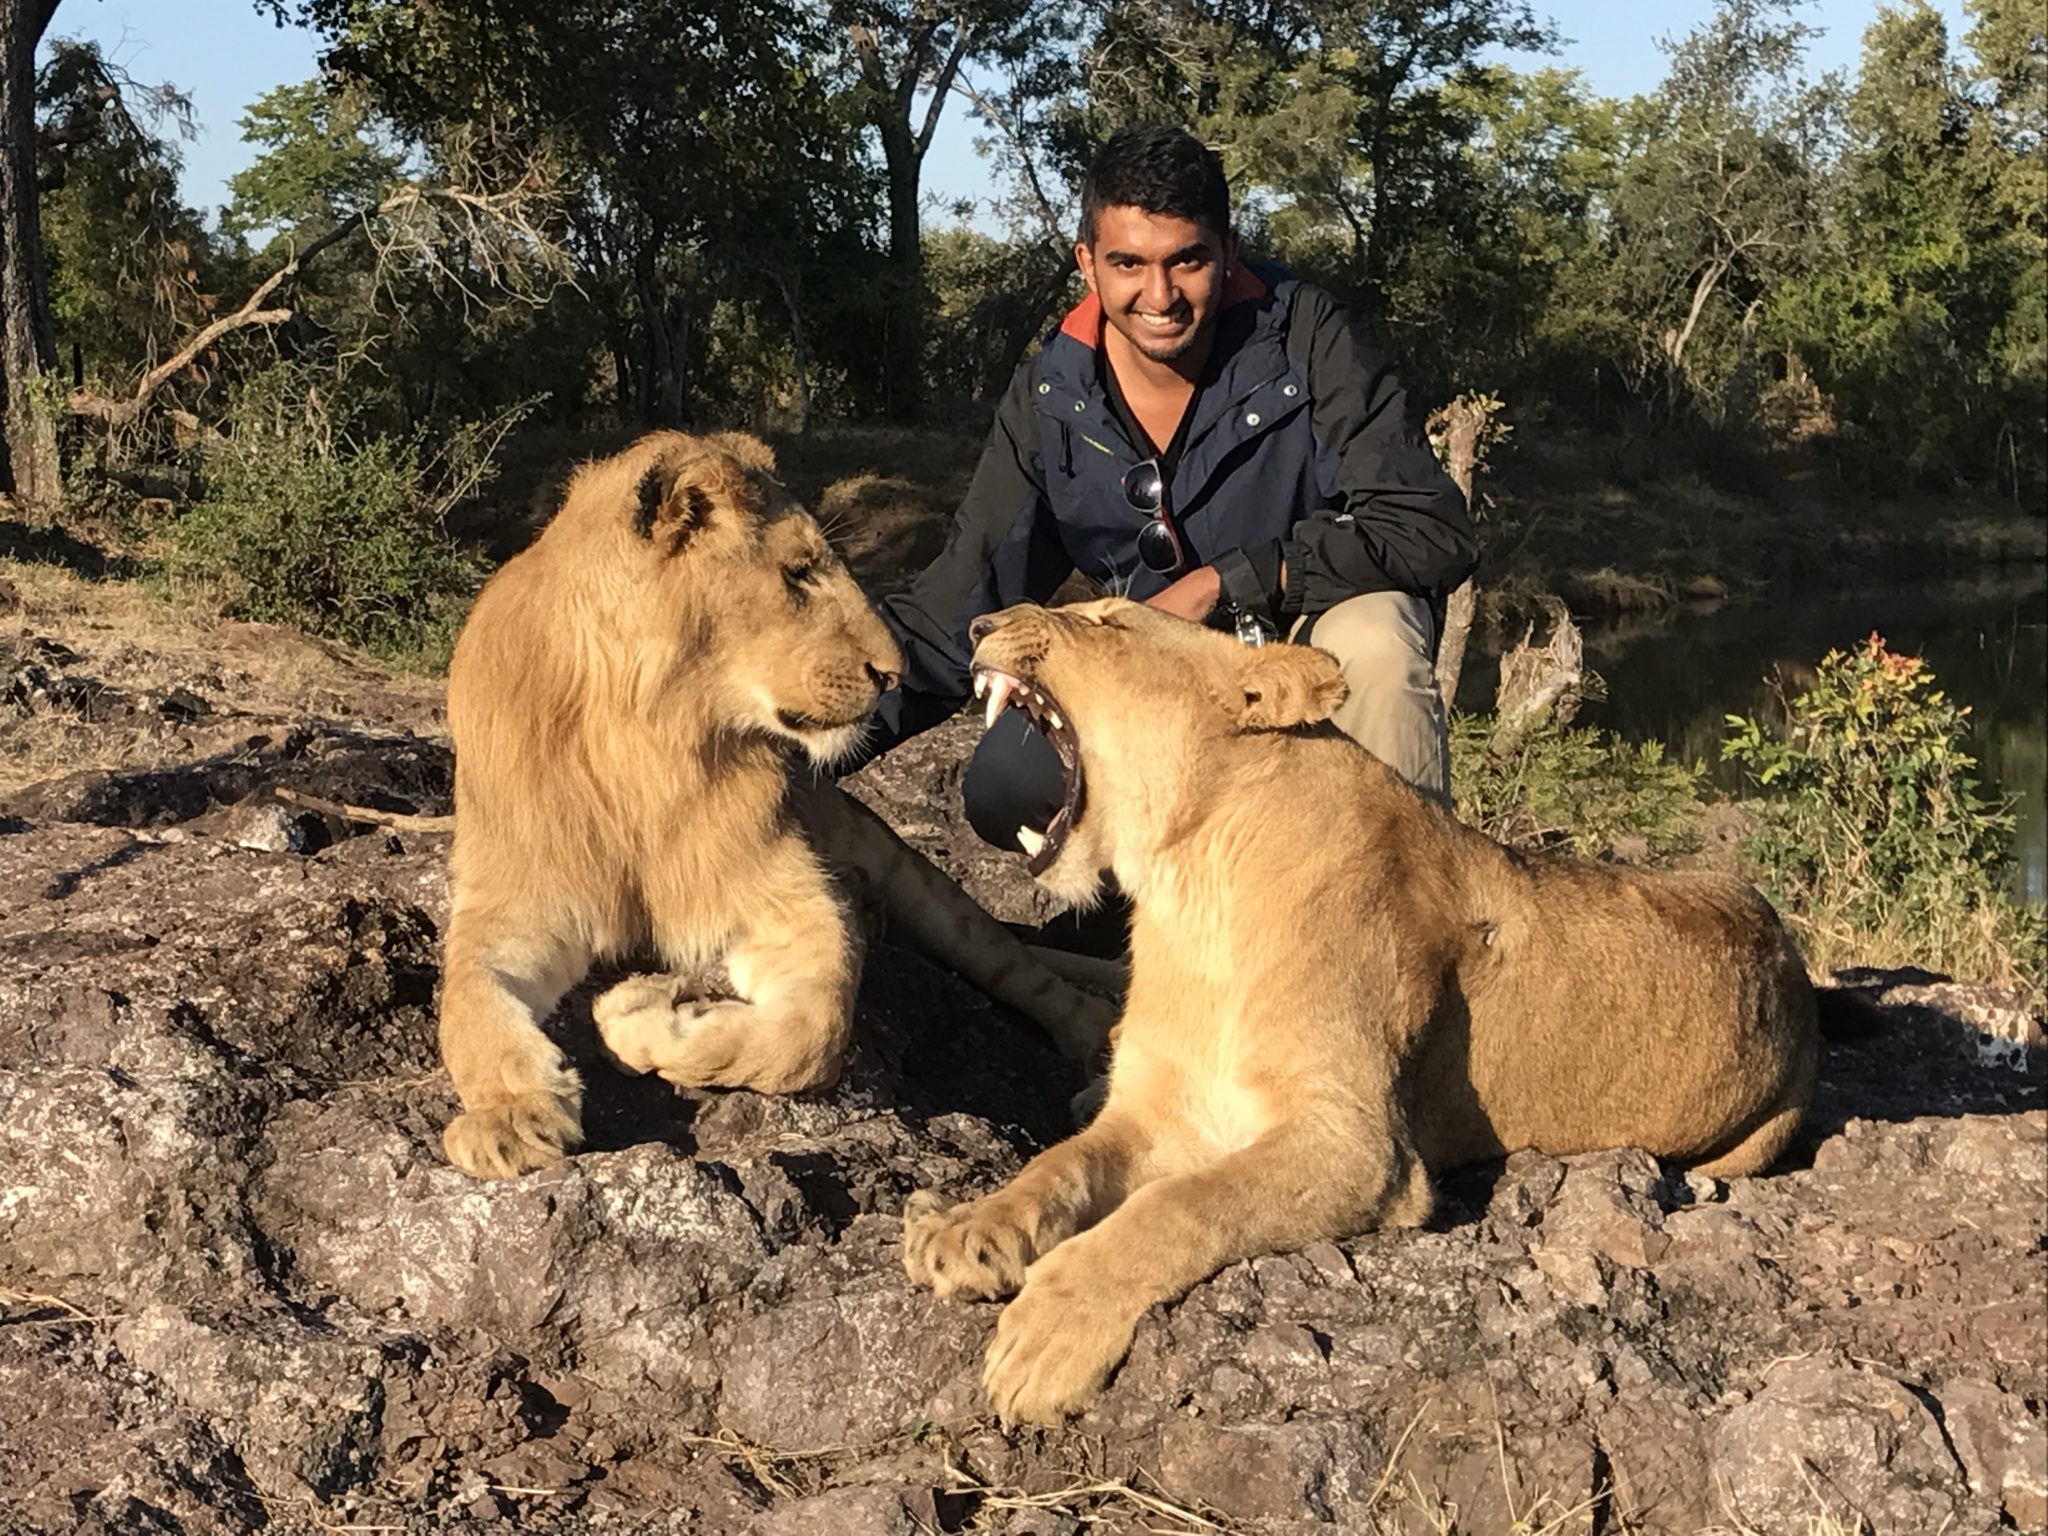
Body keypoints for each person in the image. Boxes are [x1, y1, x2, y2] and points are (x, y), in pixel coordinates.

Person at [852, 124, 1476, 855]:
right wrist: (789, 750)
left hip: (1297, 648)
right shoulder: (1054, 393)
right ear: (1087, 262)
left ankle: (1412, 928)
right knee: (1008, 784)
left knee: (1375, 646)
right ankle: (1161, 925)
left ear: (1228, 251)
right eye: (1128, 263)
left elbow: (1428, 527)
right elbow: (952, 609)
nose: (1160, 295)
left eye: (1187, 261)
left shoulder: (1306, 337)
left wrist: (1231, 581)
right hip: (1151, 683)